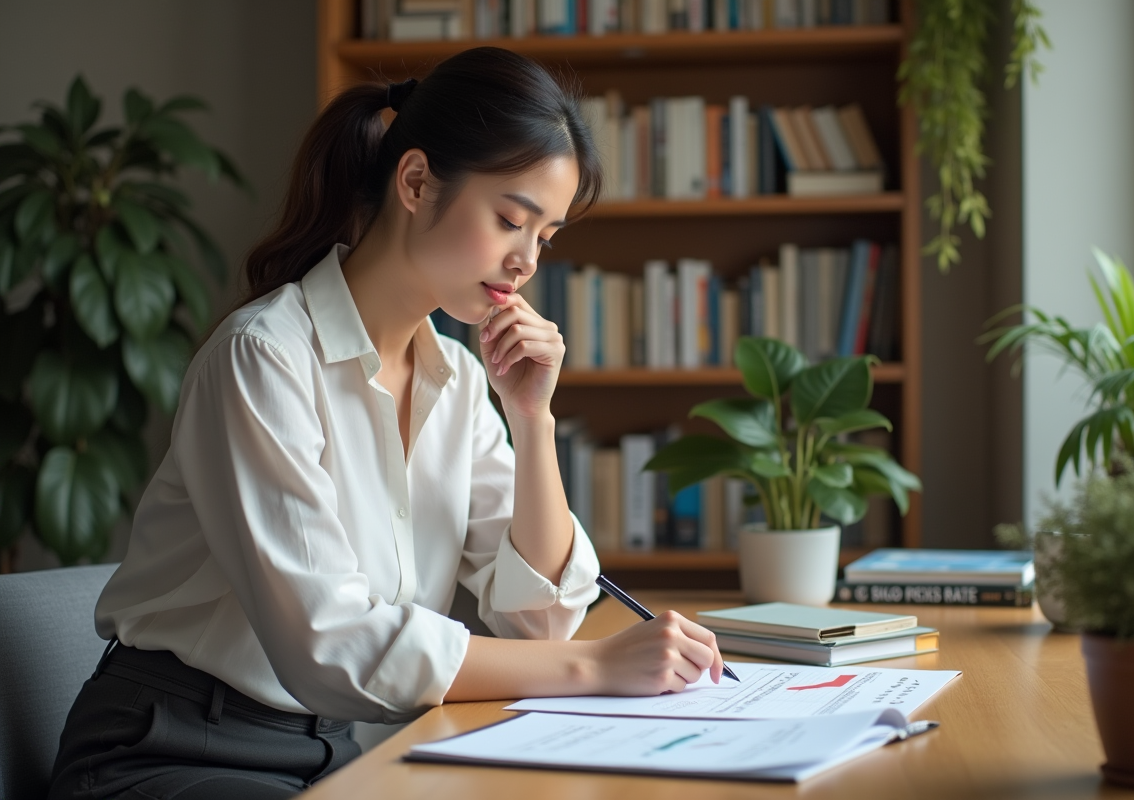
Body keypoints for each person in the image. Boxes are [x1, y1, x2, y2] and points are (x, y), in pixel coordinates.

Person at [48, 47, 726, 800]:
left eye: (546, 238)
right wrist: (598, 668)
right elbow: (329, 643)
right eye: (511, 219)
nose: (527, 259)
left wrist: (532, 421)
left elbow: (541, 625)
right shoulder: (261, 359)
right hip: (167, 750)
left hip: (334, 751)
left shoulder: (463, 382)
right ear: (415, 182)